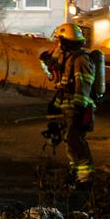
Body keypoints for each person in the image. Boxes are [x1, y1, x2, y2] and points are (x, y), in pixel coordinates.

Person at [40, 23, 96, 187]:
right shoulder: (68, 57)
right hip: (68, 106)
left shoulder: (81, 60)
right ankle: (76, 173)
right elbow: (55, 78)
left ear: (65, 42)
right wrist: (46, 62)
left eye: (59, 41)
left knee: (75, 141)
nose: (56, 44)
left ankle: (85, 178)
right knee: (70, 142)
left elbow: (83, 85)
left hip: (79, 108)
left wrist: (79, 109)